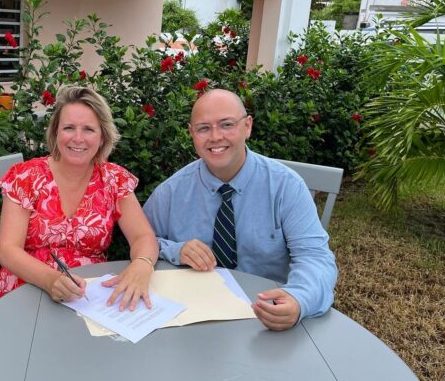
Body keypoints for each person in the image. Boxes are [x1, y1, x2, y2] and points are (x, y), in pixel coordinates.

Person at [143, 89, 337, 331]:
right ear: (191, 133)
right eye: (203, 128)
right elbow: (142, 243)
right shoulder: (170, 192)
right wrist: (177, 250)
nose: (215, 137)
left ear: (247, 126)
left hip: (265, 314)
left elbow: (315, 257)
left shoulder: (286, 186)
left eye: (227, 124)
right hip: (193, 318)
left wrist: (299, 299)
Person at [0, 85, 159, 310]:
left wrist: (142, 264)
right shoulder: (26, 177)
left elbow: (142, 236)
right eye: (69, 128)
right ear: (56, 132)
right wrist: (50, 280)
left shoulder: (113, 180)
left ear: (102, 137)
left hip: (88, 296)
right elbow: (8, 250)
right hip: (25, 287)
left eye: (88, 129)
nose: (78, 138)